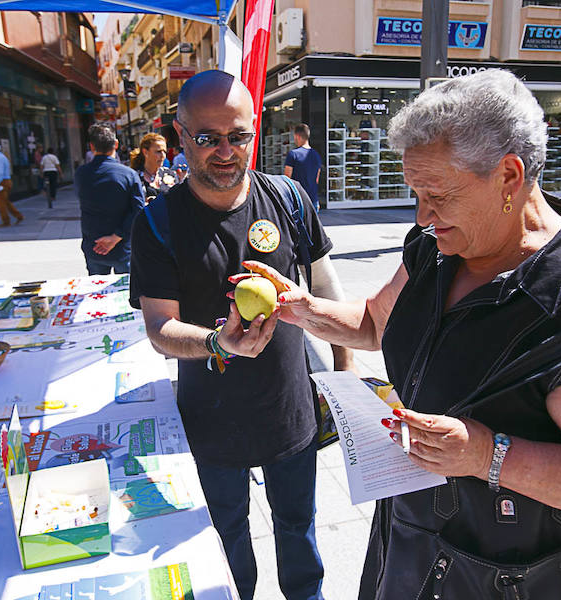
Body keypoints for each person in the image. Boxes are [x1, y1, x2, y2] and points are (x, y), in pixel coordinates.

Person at [235, 70, 561, 599]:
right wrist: (301, 308)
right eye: (415, 192)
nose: (422, 215)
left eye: (437, 193)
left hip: (511, 577)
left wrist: (490, 456)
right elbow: (374, 322)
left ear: (509, 175)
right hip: (416, 545)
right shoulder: (437, 247)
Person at [128, 70, 353, 600]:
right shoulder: (157, 222)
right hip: (210, 424)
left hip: (289, 411)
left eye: (238, 136)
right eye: (208, 138)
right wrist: (217, 343)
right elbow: (160, 327)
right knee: (228, 544)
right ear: (181, 135)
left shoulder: (290, 200)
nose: (225, 151)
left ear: (256, 131)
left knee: (298, 534)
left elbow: (326, 288)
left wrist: (345, 372)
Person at [75, 122, 144, 275]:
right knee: (127, 292)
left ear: (92, 147)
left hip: (94, 245)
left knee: (96, 293)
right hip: (123, 246)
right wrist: (116, 237)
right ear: (116, 144)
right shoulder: (128, 174)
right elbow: (138, 210)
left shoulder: (81, 174)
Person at [129, 133, 177, 203]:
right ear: (145, 152)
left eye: (165, 151)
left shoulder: (170, 174)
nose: (163, 156)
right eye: (158, 152)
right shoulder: (135, 178)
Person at [284, 124, 323, 211]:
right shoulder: (316, 155)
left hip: (297, 200)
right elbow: (317, 179)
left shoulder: (293, 154)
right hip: (313, 199)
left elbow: (286, 179)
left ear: (297, 136)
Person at [0, 142, 23, 227]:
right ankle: (18, 216)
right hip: (4, 181)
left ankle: (6, 221)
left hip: (2, 182)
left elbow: (0, 172)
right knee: (5, 201)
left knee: (1, 203)